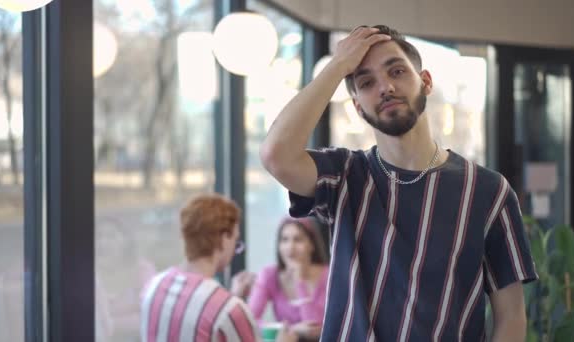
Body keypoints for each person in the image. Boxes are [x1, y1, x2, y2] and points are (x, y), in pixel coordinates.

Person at [260, 25, 538, 341]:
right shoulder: (345, 175)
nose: (386, 87)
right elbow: (275, 155)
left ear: (426, 81)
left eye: (397, 71)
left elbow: (512, 316)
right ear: (357, 107)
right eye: (366, 82)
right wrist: (337, 67)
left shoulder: (489, 191)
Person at [140, 193, 297, 342]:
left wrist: (232, 297)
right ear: (224, 238)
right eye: (236, 241)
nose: (235, 250)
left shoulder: (153, 286)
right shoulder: (229, 309)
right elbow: (217, 312)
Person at [248, 216, 329, 341]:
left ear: (311, 245)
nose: (290, 247)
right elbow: (249, 321)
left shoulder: (328, 275)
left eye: (298, 240)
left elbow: (314, 330)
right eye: (284, 240)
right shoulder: (269, 275)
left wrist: (300, 281)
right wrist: (293, 329)